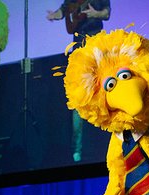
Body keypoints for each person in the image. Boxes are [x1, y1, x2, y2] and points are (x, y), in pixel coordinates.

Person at [46, 0, 111, 162]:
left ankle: (109, 145)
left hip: (97, 46)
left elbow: (107, 13)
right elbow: (64, 10)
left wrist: (95, 14)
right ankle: (77, 151)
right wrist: (55, 15)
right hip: (79, 49)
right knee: (78, 99)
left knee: (105, 92)